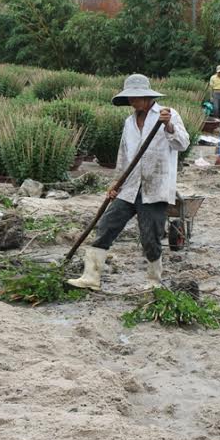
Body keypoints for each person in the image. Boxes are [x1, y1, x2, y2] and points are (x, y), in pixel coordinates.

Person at [69, 74, 190, 291]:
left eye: (136, 98)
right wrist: (115, 183)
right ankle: (91, 277)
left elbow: (183, 143)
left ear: (147, 96)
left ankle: (154, 282)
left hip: (155, 187)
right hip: (129, 186)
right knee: (106, 225)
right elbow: (124, 155)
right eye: (130, 99)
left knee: (150, 237)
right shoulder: (129, 122)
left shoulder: (167, 115)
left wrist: (169, 126)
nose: (133, 102)